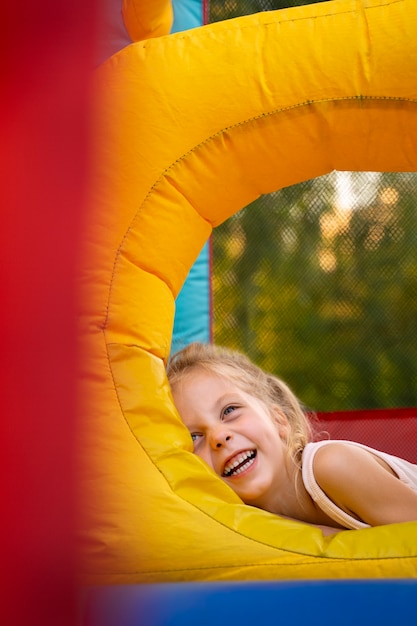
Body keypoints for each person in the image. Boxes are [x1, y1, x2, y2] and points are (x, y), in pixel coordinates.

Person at [167, 342, 417, 531]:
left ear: (279, 420)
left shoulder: (332, 466)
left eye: (230, 411)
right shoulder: (239, 528)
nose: (218, 436)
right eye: (195, 437)